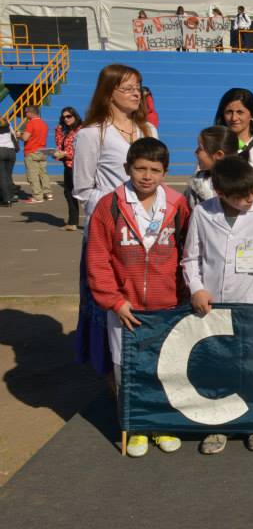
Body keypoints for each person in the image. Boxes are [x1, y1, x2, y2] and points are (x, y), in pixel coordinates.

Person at [84, 137, 190, 457]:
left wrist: (184, 296)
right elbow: (98, 258)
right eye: (140, 168)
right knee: (128, 368)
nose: (147, 176)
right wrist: (113, 300)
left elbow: (187, 251)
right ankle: (138, 425)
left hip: (166, 305)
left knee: (163, 367)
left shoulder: (176, 204)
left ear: (165, 172)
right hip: (124, 306)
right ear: (127, 167)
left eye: (155, 170)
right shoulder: (110, 204)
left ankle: (160, 422)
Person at [182, 156, 253, 455]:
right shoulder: (203, 214)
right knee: (218, 363)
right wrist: (197, 288)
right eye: (242, 196)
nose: (250, 199)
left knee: (252, 364)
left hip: (252, 303)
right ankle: (218, 424)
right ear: (220, 193)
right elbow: (191, 257)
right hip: (213, 305)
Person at [73, 64, 157, 376]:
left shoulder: (149, 130)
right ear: (109, 93)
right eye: (128, 88)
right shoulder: (92, 134)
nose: (137, 93)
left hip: (147, 233)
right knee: (109, 303)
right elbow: (82, 189)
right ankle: (112, 376)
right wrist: (117, 208)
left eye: (139, 87)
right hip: (108, 233)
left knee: (142, 301)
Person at [185, 126, 253, 209]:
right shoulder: (196, 183)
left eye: (200, 148)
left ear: (219, 155)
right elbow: (190, 217)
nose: (195, 152)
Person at [54, 106, 83, 230]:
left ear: (75, 116)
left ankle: (97, 223)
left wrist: (67, 154)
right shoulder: (68, 131)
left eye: (68, 116)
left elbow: (83, 150)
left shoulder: (81, 130)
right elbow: (60, 145)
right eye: (63, 117)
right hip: (68, 165)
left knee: (84, 194)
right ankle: (72, 222)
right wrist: (58, 130)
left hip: (80, 167)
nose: (66, 119)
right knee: (69, 193)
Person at [18, 106, 52, 203]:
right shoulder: (43, 123)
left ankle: (37, 196)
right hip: (42, 150)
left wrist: (19, 135)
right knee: (43, 173)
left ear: (31, 112)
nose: (25, 114)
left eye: (26, 112)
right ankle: (48, 193)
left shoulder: (31, 123)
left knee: (33, 175)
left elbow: (25, 138)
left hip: (31, 151)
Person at [0, 117, 18, 206]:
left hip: (0, 150)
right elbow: (13, 135)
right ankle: (11, 196)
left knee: (2, 177)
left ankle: (6, 200)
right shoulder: (6, 122)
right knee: (8, 175)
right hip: (11, 150)